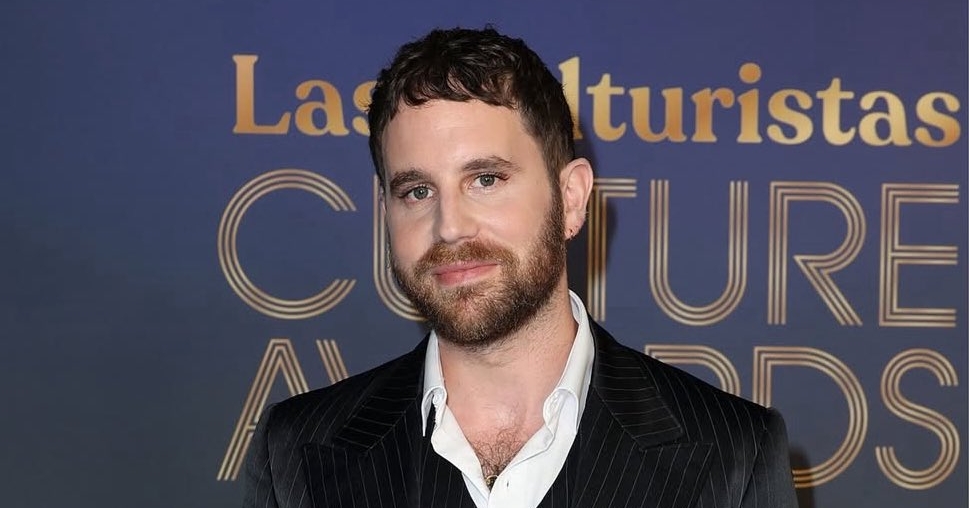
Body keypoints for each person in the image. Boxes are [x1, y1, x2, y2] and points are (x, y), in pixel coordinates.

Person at [242, 27, 798, 508]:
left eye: (486, 180)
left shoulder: (733, 454)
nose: (449, 226)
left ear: (572, 198)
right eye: (417, 191)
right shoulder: (296, 452)